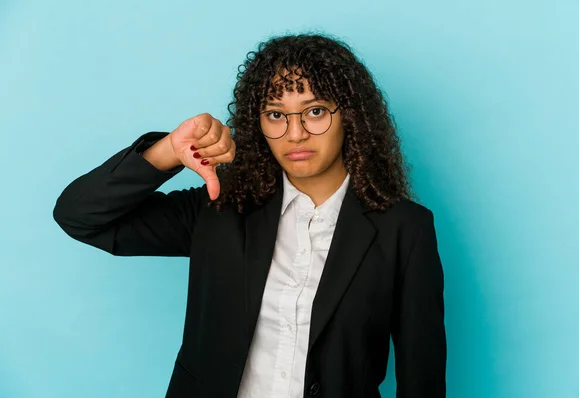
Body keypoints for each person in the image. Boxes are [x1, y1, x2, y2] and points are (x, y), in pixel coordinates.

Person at [53, 33, 446, 398]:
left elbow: (421, 376)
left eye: (314, 111)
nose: (295, 134)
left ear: (351, 117)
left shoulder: (404, 228)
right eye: (276, 114)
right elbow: (80, 216)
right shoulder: (220, 208)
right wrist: (168, 151)